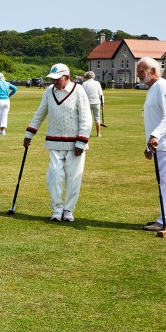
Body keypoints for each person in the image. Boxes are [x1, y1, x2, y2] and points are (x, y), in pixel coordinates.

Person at [23, 63, 92, 222]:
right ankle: (57, 209)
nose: (53, 82)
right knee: (53, 177)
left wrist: (81, 142)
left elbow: (85, 118)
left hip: (75, 144)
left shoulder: (79, 91)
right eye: (52, 79)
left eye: (57, 79)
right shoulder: (49, 92)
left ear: (67, 77)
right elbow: (40, 113)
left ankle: (68, 210)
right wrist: (29, 133)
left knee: (73, 178)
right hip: (54, 142)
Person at [137, 56, 166, 232]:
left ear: (153, 71)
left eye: (141, 72)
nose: (139, 76)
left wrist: (155, 136)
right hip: (159, 145)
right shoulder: (153, 88)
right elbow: (153, 119)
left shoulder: (162, 87)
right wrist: (149, 145)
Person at [82, 71, 105, 137]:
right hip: (96, 102)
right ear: (93, 76)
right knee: (97, 118)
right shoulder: (97, 83)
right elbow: (100, 94)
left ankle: (86, 134)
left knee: (87, 119)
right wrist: (102, 103)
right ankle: (98, 134)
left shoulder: (84, 84)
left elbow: (82, 95)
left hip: (87, 103)